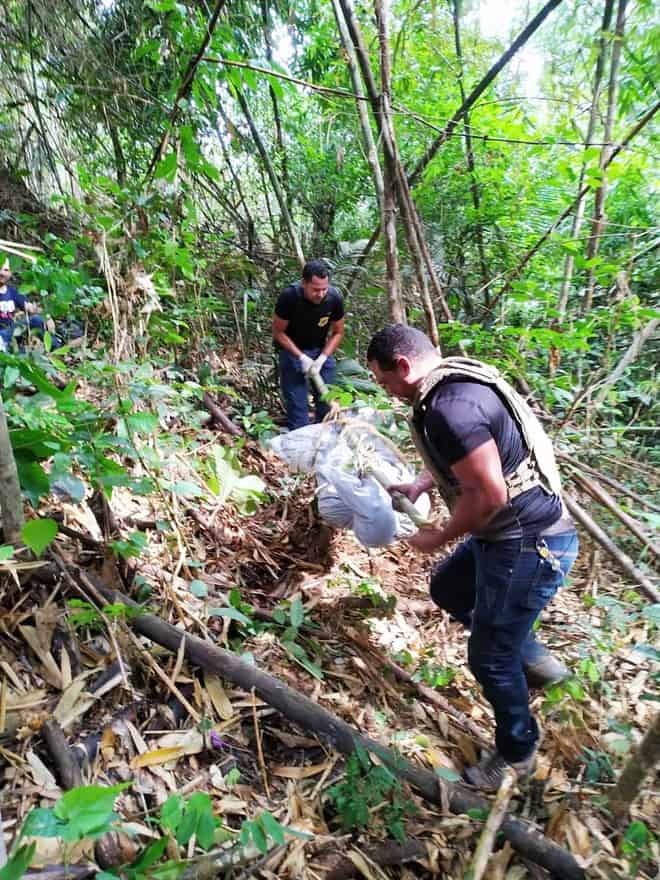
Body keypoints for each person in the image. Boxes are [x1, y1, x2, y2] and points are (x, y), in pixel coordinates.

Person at [366, 324, 579, 792]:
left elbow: (489, 494)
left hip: (528, 543)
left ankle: (518, 753)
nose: (387, 392)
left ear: (403, 365)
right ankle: (535, 660)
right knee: (449, 588)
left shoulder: (450, 407)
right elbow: (473, 457)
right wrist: (422, 483)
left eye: (385, 382)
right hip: (508, 534)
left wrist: (439, 535)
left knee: (489, 658)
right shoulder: (453, 387)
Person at [273, 260, 345, 430]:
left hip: (320, 350)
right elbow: (278, 332)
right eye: (315, 289)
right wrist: (301, 357)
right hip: (292, 351)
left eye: (324, 289)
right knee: (298, 413)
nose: (320, 294)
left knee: (328, 407)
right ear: (304, 283)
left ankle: (322, 438)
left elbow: (338, 332)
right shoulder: (290, 297)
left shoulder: (334, 298)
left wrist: (323, 357)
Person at [0, 260, 48, 351]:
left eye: (6, 270)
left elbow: (30, 308)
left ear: (10, 273)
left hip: (11, 331)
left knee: (36, 320)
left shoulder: (13, 292)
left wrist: (47, 316)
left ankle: (56, 348)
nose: (2, 273)